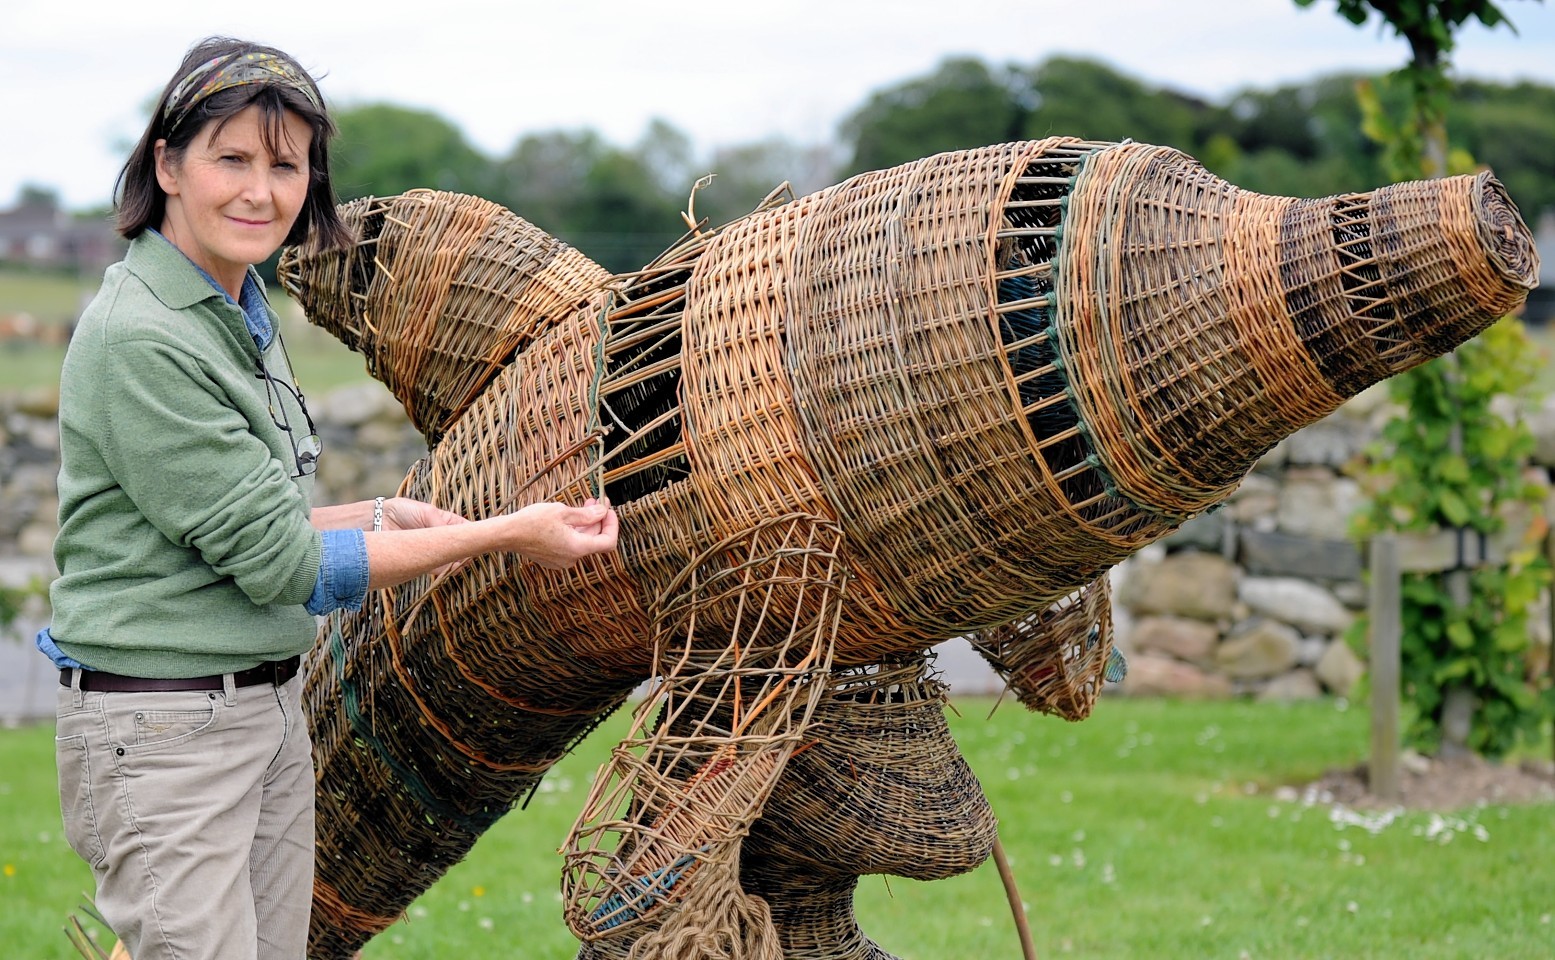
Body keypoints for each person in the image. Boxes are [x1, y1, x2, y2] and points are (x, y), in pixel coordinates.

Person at [36, 36, 620, 960]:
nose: (259, 191)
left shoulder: (232, 313)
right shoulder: (143, 336)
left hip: (259, 710)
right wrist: (506, 536)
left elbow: (235, 525)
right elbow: (285, 567)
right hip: (165, 728)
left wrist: (388, 517)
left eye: (287, 165)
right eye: (231, 158)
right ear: (167, 166)